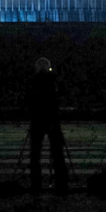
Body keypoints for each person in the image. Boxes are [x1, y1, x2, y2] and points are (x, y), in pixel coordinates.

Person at [23, 56, 70, 195]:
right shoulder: (54, 80)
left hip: (37, 120)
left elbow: (27, 100)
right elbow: (62, 96)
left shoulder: (32, 81)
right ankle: (61, 183)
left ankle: (36, 184)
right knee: (57, 153)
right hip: (52, 120)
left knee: (35, 154)